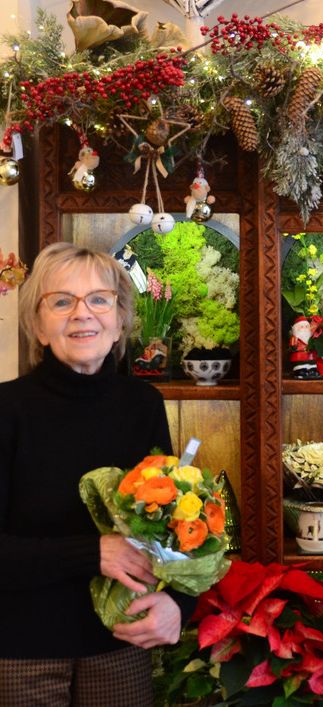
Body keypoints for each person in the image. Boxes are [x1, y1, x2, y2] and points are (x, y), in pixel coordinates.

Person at [0, 242, 193, 707]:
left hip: (121, 641)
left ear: (120, 320)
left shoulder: (143, 405)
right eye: (61, 301)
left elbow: (175, 525)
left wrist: (178, 604)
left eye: (99, 299)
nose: (81, 313)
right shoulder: (6, 410)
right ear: (37, 326)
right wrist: (93, 553)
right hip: (21, 650)